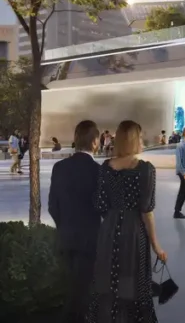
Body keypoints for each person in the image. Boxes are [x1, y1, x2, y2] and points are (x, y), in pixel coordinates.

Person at [88, 119, 166, 322]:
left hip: (109, 231)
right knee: (134, 281)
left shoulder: (106, 168)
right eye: (140, 137)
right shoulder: (145, 170)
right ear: (133, 140)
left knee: (108, 279)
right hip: (134, 232)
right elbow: (147, 211)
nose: (142, 141)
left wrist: (114, 219)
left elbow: (101, 203)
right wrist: (156, 245)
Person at [48, 120, 101, 323]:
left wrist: (64, 227)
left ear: (75, 139)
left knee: (71, 291)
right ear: (95, 142)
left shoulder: (59, 167)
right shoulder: (98, 171)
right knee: (83, 295)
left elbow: (53, 206)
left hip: (65, 239)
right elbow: (103, 207)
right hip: (90, 242)